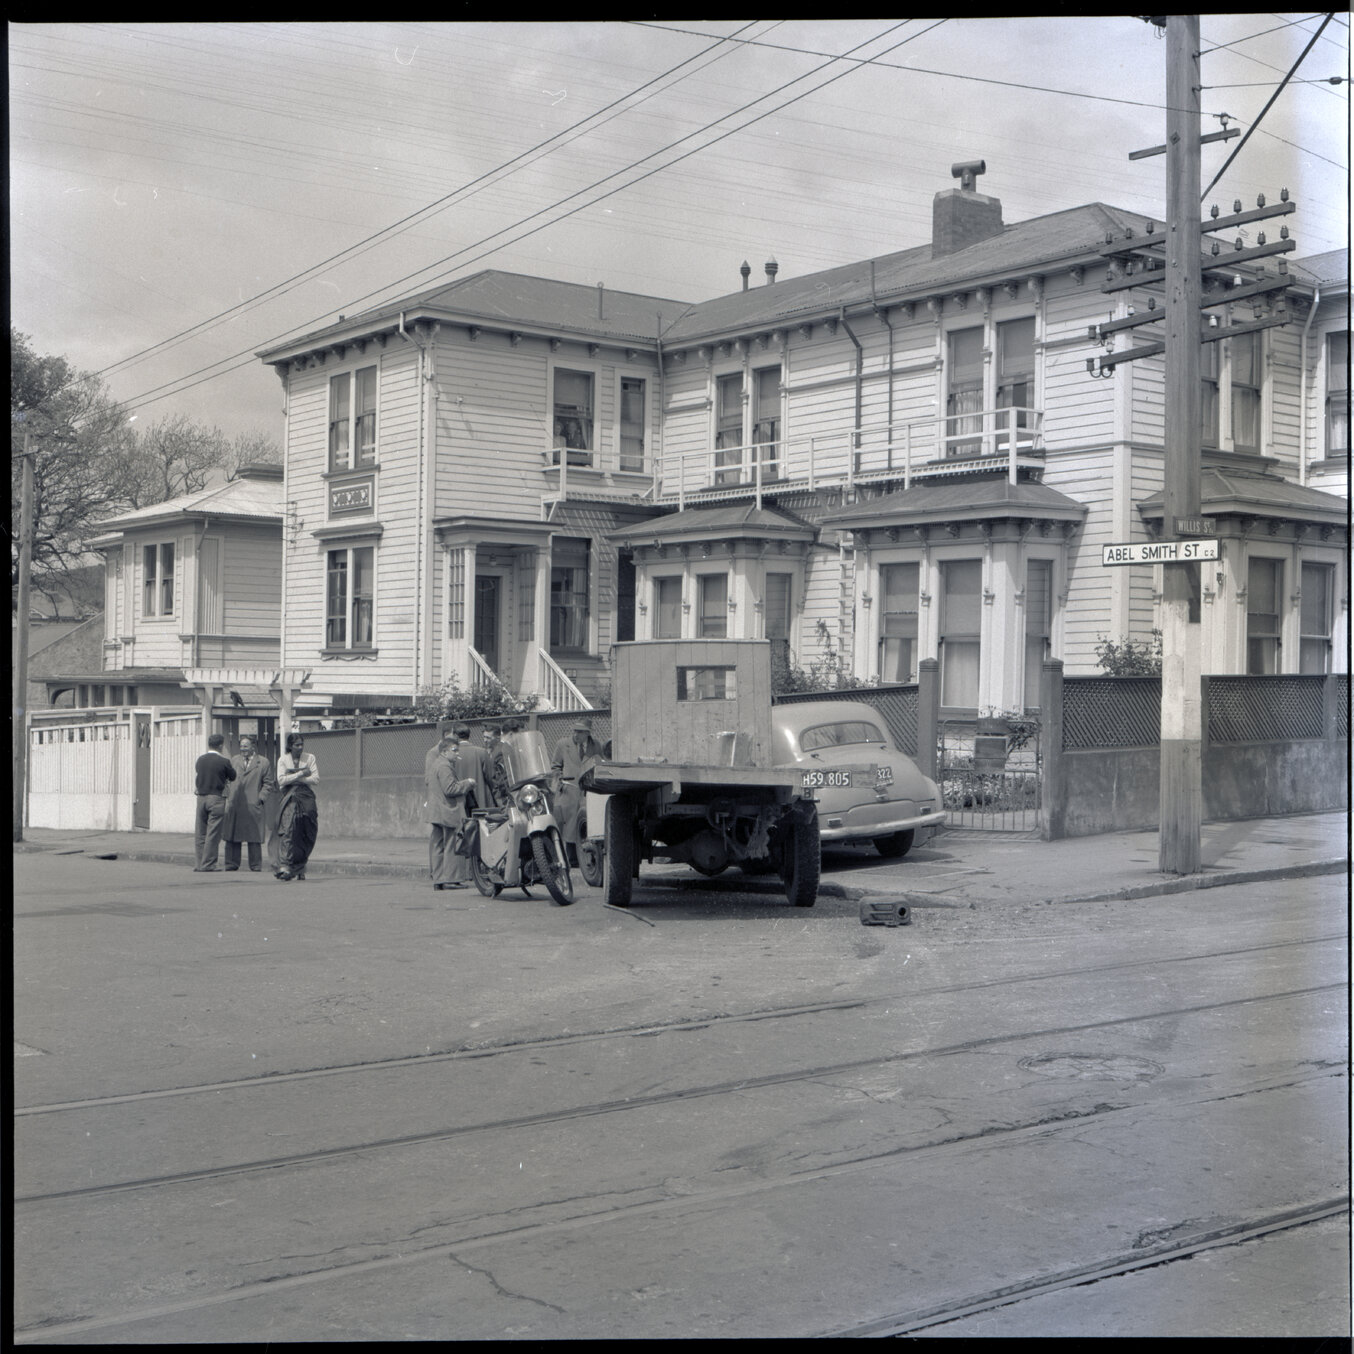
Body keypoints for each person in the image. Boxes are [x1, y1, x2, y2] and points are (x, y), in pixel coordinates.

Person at [551, 719, 604, 865]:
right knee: (567, 826)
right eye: (574, 730)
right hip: (568, 790)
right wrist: (559, 781)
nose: (576, 734)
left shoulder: (596, 745)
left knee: (585, 825)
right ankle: (567, 859)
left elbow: (600, 765)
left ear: (588, 733)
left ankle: (586, 860)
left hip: (587, 792)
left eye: (580, 731)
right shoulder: (563, 744)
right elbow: (555, 767)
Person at [425, 732, 474, 890]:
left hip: (436, 811)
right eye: (455, 750)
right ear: (445, 751)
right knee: (451, 845)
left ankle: (438, 879)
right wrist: (468, 783)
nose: (457, 753)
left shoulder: (436, 764)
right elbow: (450, 789)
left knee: (438, 845)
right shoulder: (445, 766)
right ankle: (451, 879)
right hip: (447, 811)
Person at [222, 734, 275, 872]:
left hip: (253, 803)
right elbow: (226, 780)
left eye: (246, 746)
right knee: (232, 834)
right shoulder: (234, 760)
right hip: (236, 802)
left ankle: (255, 865)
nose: (243, 748)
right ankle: (231, 863)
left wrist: (261, 798)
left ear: (253, 746)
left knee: (254, 835)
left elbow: (268, 783)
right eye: (241, 746)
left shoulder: (263, 762)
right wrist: (229, 795)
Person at [275, 732, 319, 882]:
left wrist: (294, 777)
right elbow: (281, 780)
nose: (300, 748)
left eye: (301, 744)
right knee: (288, 830)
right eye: (296, 745)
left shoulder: (310, 758)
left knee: (306, 830)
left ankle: (300, 867)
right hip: (289, 797)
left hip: (306, 798)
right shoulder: (283, 760)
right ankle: (285, 866)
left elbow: (315, 778)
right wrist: (301, 774)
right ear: (290, 746)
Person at [193, 732, 237, 872]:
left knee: (200, 832)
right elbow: (233, 776)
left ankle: (199, 863)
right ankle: (209, 864)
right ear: (220, 745)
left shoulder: (200, 760)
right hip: (216, 798)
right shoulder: (224, 761)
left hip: (201, 798)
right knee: (213, 833)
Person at [454, 723, 496, 811]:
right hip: (481, 799)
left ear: (455, 736)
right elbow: (491, 777)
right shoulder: (481, 752)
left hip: (459, 801)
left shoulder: (452, 754)